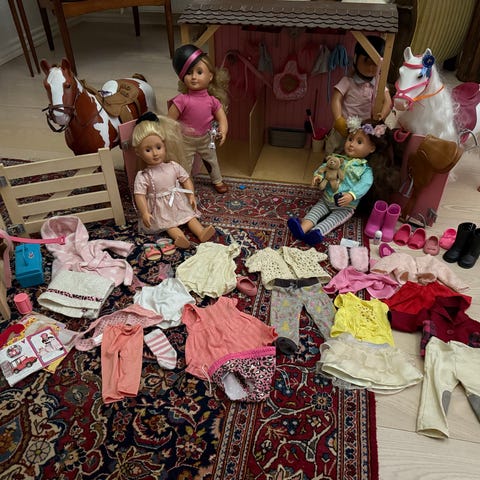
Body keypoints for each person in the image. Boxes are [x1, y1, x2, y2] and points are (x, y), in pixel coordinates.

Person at [288, 117, 390, 246]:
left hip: (345, 207)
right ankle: (301, 229)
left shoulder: (365, 170)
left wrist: (352, 195)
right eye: (350, 139)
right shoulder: (338, 158)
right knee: (315, 212)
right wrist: (318, 175)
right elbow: (325, 167)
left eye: (359, 142)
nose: (351, 144)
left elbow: (365, 184)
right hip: (326, 198)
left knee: (331, 220)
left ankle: (316, 233)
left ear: (371, 148)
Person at [132, 112, 215, 249]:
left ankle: (201, 232)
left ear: (164, 145)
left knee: (190, 217)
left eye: (158, 147)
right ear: (138, 152)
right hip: (159, 207)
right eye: (148, 150)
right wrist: (145, 212)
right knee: (169, 225)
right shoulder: (143, 175)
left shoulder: (172, 166)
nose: (155, 153)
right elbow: (139, 195)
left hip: (177, 201)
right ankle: (179, 238)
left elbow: (185, 179)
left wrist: (190, 195)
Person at [168, 44, 230, 194]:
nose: (194, 77)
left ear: (210, 76)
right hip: (185, 140)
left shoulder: (212, 101)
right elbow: (169, 121)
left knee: (212, 161)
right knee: (184, 164)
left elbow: (222, 118)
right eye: (189, 73)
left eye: (199, 72)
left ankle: (217, 180)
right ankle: (185, 183)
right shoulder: (182, 100)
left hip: (205, 138)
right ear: (183, 77)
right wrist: (171, 135)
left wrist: (223, 132)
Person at [325, 35, 392, 157]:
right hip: (345, 126)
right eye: (366, 61)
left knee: (361, 154)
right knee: (336, 149)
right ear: (356, 59)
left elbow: (388, 102)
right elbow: (336, 99)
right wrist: (338, 118)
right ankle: (330, 163)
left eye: (375, 63)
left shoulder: (379, 84)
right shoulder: (348, 81)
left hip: (365, 130)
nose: (371, 67)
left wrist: (382, 115)